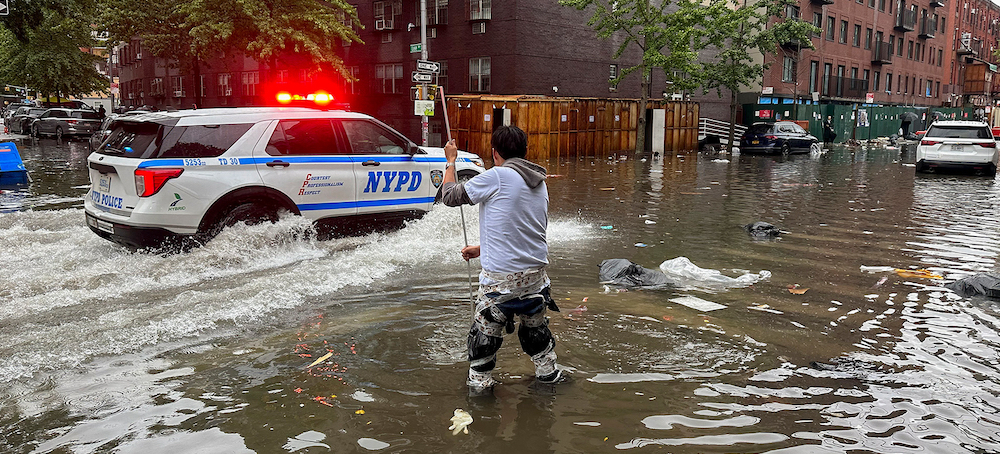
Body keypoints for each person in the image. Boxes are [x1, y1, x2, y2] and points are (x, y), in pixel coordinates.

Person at [439, 125, 562, 391]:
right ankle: (549, 380)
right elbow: (524, 229)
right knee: (538, 339)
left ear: (495, 153)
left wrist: (450, 161)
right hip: (536, 281)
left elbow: (449, 196)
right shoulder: (538, 181)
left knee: (482, 345)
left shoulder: (497, 176)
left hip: (500, 284)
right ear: (525, 151)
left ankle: (481, 396)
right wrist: (482, 248)